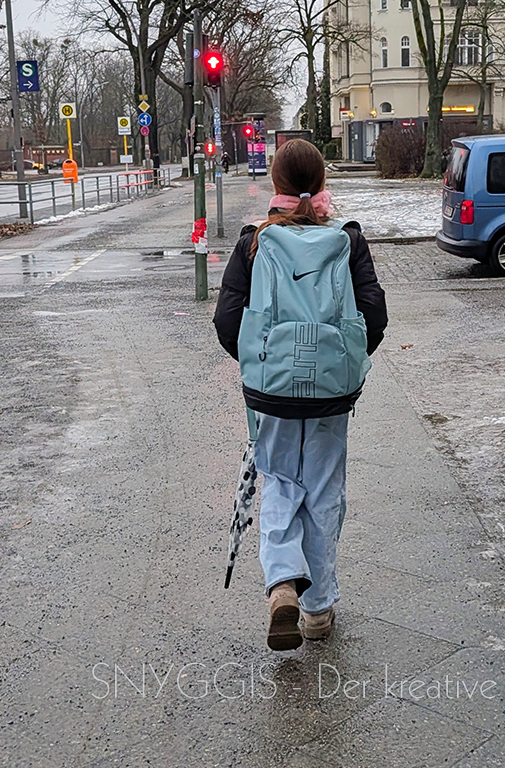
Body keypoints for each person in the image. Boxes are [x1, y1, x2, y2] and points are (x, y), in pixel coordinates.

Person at [213, 139, 387, 651]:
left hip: (270, 394)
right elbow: (373, 317)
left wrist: (263, 364)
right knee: (325, 490)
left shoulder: (253, 242)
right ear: (323, 181)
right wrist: (347, 362)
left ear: (276, 185)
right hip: (332, 393)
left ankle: (283, 583)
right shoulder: (347, 240)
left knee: (279, 483)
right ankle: (318, 610)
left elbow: (228, 321)